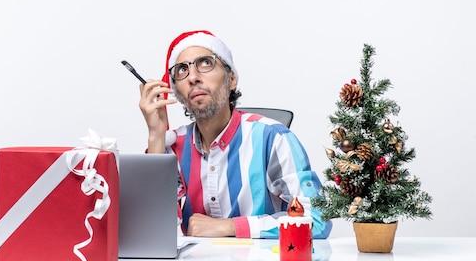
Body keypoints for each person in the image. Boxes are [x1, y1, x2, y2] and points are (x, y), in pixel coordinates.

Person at [137, 30, 332, 239]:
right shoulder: (172, 147)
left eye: (205, 63)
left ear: (231, 80)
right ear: (177, 93)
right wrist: (156, 137)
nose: (192, 77)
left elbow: (318, 219)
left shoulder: (273, 138)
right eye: (182, 70)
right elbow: (150, 232)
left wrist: (229, 227)